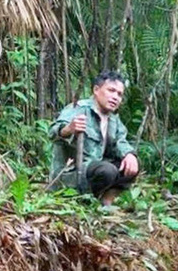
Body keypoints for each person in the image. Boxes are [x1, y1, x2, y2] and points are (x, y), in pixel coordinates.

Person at [49, 70, 139, 205]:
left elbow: (121, 142)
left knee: (132, 164)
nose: (115, 97)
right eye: (111, 90)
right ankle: (82, 200)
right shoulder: (79, 108)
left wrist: (129, 154)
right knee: (107, 171)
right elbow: (53, 132)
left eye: (119, 94)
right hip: (72, 174)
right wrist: (69, 129)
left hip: (95, 169)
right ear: (96, 90)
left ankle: (106, 201)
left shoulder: (113, 120)